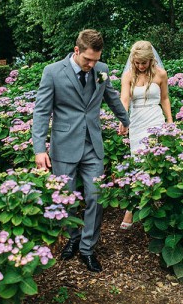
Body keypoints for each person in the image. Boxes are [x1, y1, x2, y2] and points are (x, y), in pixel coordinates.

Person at [32, 29, 130, 272]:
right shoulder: (52, 72)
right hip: (63, 146)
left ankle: (87, 248)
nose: (92, 64)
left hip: (92, 145)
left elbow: (112, 97)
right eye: (88, 59)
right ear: (77, 50)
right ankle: (72, 236)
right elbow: (42, 111)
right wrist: (38, 149)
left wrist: (126, 120)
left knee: (96, 196)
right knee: (66, 198)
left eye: (96, 60)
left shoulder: (101, 70)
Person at [117, 41, 173, 229]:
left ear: (151, 60)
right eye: (137, 63)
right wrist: (123, 120)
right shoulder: (128, 76)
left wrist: (170, 122)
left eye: (144, 63)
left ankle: (154, 201)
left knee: (155, 160)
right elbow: (124, 99)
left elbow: (164, 98)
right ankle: (133, 206)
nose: (141, 66)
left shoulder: (161, 74)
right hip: (137, 122)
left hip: (155, 120)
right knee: (138, 161)